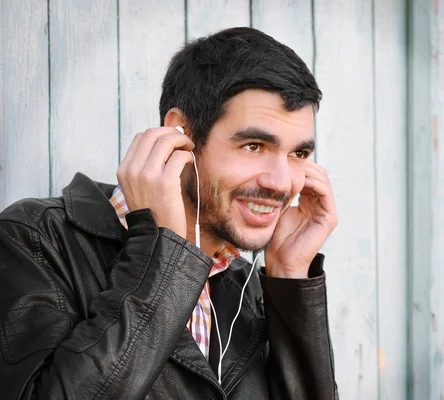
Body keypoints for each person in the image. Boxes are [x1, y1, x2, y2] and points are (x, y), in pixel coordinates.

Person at [0, 27, 338, 399]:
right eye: (253, 146)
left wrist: (291, 279)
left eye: (298, 154)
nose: (282, 182)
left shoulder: (248, 284)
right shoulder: (35, 240)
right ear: (182, 133)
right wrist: (166, 252)